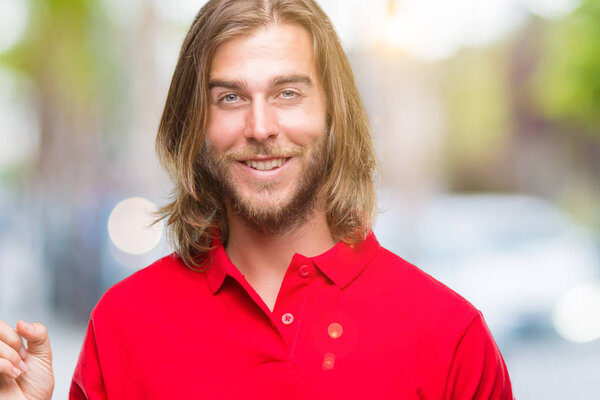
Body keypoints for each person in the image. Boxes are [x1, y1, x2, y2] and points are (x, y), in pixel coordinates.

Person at [0, 0, 514, 398]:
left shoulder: (450, 335)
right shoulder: (123, 325)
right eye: (230, 97)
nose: (261, 127)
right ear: (194, 124)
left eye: (288, 93)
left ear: (334, 116)